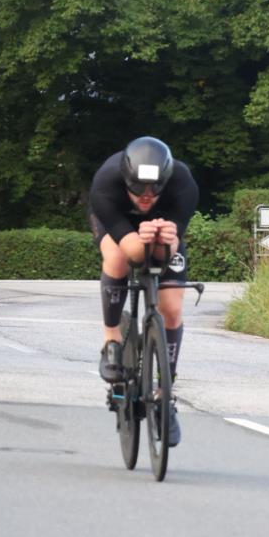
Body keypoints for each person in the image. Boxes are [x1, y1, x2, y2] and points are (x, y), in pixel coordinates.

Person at [89, 136, 199, 446]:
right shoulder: (106, 183)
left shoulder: (183, 184)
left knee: (172, 310)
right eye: (138, 188)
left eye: (154, 189)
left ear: (166, 180)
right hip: (120, 225)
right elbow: (135, 253)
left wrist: (163, 240)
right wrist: (142, 239)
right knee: (119, 258)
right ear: (126, 179)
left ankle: (166, 393)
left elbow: (168, 252)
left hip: (163, 231)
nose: (147, 196)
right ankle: (111, 338)